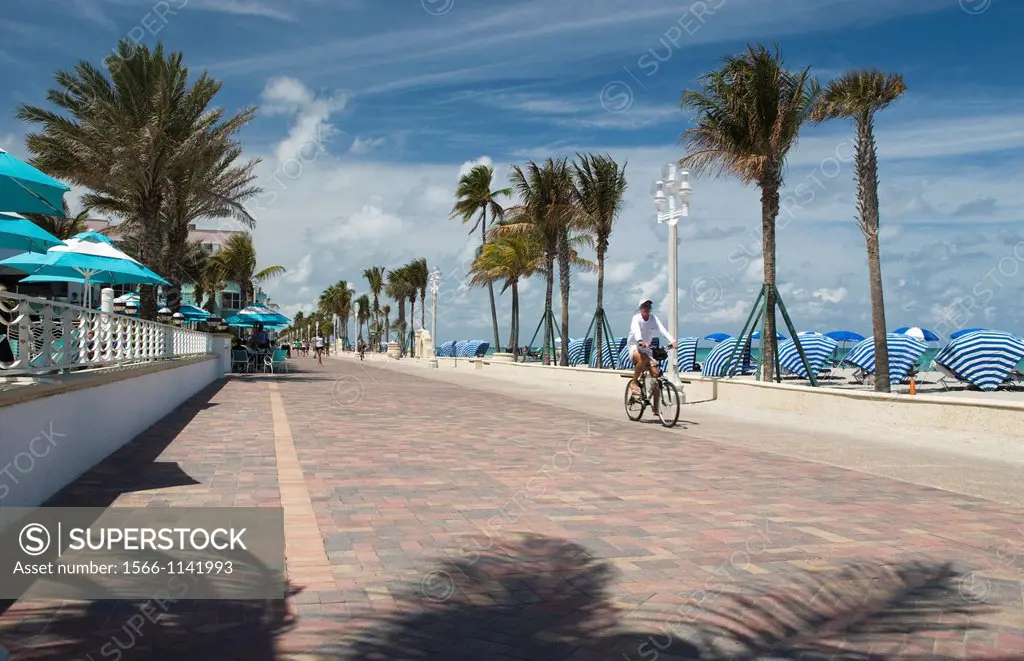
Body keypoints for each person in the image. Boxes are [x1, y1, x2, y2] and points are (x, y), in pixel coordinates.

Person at [626, 298, 675, 411]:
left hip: (647, 348)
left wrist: (672, 340)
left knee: (656, 375)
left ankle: (656, 408)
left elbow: (662, 329)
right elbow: (635, 330)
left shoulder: (653, 318)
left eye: (649, 307)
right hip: (635, 347)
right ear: (640, 308)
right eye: (644, 307)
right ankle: (633, 383)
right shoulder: (636, 318)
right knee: (642, 359)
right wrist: (640, 341)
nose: (647, 309)